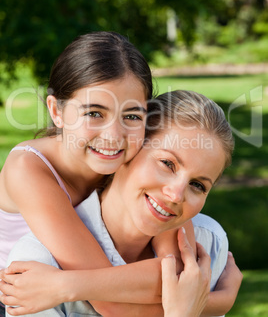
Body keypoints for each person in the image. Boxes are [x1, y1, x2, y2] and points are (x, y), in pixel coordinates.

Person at [1, 90, 243, 316]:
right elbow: (109, 305)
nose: (176, 195)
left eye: (198, 185)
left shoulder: (209, 241)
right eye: (167, 164)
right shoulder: (36, 267)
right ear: (128, 148)